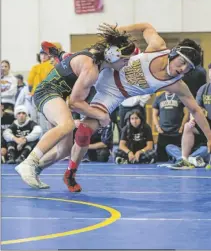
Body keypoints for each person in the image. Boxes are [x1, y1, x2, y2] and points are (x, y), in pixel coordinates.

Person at [28, 22, 211, 192]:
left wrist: (210, 138)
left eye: (189, 68)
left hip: (112, 95)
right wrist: (120, 31)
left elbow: (195, 109)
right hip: (110, 69)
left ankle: (70, 172)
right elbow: (146, 27)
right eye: (183, 63)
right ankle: (66, 56)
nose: (183, 69)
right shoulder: (158, 47)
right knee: (98, 55)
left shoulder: (176, 84)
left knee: (84, 132)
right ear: (174, 53)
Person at [15, 23, 136, 189]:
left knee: (64, 149)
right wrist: (101, 116)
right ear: (113, 56)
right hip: (47, 92)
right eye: (125, 60)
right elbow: (74, 103)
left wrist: (59, 55)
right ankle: (28, 163)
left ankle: (35, 169)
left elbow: (70, 60)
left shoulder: (94, 57)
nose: (126, 64)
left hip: (57, 95)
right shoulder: (92, 70)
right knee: (68, 125)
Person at [171, 60, 211, 169]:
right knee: (188, 126)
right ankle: (184, 160)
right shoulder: (203, 89)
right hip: (209, 123)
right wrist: (192, 119)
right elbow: (195, 108)